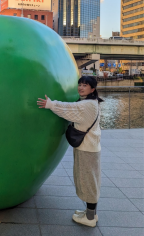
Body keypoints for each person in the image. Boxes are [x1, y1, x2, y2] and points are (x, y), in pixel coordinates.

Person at [37, 76, 103, 228]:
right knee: (88, 179)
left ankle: (90, 217)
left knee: (88, 181)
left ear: (92, 89)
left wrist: (51, 104)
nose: (81, 87)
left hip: (88, 149)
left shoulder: (87, 105)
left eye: (85, 85)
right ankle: (89, 212)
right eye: (80, 84)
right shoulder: (91, 102)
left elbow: (69, 109)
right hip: (89, 148)